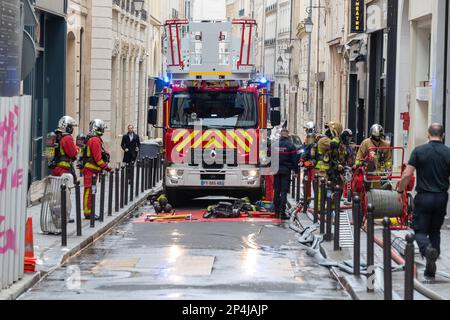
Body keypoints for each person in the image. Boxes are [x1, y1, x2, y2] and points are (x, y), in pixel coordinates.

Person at [397, 124, 450, 279]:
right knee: (435, 231)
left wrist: (400, 191)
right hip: (441, 197)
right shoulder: (448, 153)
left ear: (428, 135)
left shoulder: (419, 151)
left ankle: (427, 250)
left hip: (424, 197)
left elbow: (407, 174)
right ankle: (430, 267)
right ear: (443, 135)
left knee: (420, 231)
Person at [51, 116, 79, 223]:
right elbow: (72, 153)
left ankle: (57, 214)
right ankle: (64, 215)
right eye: (71, 126)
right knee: (65, 194)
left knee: (57, 194)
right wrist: (77, 149)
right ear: (66, 126)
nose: (72, 128)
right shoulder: (67, 138)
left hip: (56, 168)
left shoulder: (58, 136)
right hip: (64, 169)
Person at [82, 119, 112, 219]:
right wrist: (106, 167)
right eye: (102, 128)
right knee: (89, 191)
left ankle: (90, 211)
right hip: (91, 170)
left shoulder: (95, 139)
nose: (103, 130)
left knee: (91, 191)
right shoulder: (95, 140)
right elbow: (98, 159)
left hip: (93, 170)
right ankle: (88, 213)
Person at [272, 128, 299, 220]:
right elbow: (295, 160)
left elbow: (269, 155)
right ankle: (282, 213)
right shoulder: (291, 146)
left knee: (276, 191)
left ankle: (276, 212)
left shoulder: (274, 145)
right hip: (286, 171)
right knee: (283, 192)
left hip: (276, 171)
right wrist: (296, 171)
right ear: (287, 135)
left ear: (280, 135)